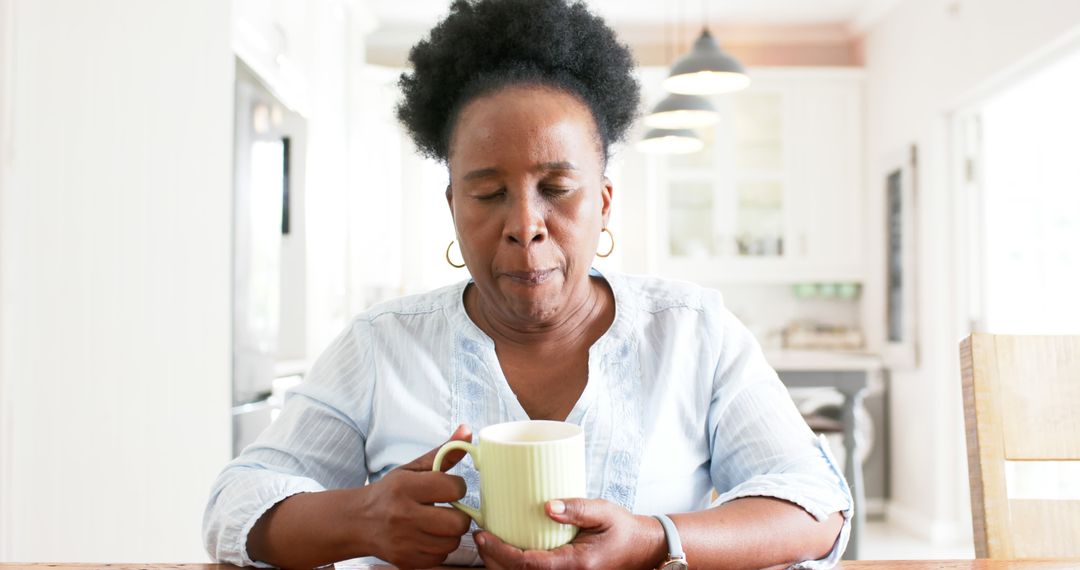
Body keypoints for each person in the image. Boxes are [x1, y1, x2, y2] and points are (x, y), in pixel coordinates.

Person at [203, 0, 852, 568]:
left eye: (557, 190)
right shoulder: (380, 348)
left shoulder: (692, 332)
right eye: (487, 192)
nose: (524, 225)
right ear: (452, 202)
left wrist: (656, 540)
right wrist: (359, 518)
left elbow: (816, 504)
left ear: (603, 202)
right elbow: (235, 505)